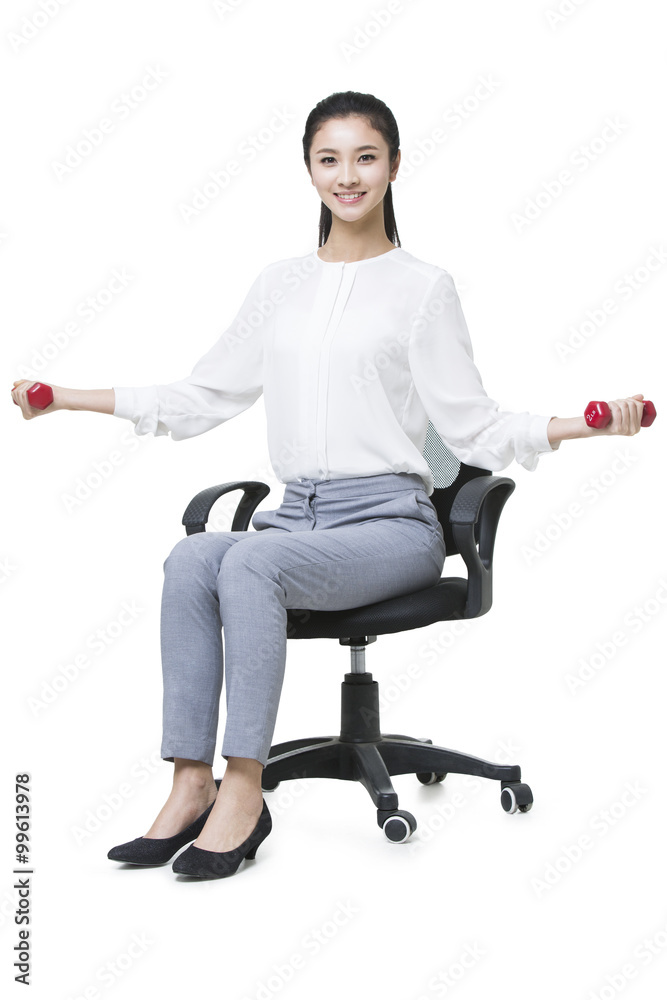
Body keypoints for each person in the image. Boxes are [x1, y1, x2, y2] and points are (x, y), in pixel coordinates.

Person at [12, 90, 648, 880]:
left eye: (364, 157)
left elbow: (473, 424)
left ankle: (244, 793)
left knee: (245, 561)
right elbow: (200, 396)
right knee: (191, 559)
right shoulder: (279, 284)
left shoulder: (422, 287)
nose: (346, 175)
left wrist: (586, 424)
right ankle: (189, 782)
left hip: (391, 524)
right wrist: (67, 397)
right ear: (309, 169)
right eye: (328, 158)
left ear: (393, 165)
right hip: (298, 519)